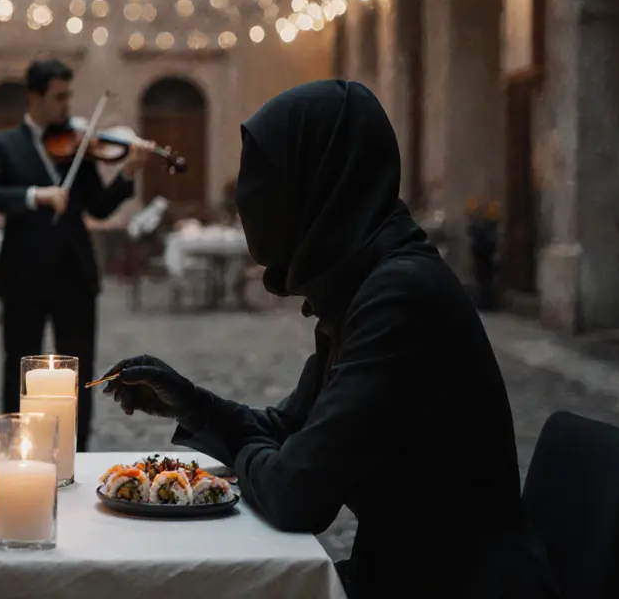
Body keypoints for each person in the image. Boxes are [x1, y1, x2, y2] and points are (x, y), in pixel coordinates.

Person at [98, 80, 558, 598]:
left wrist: (262, 454)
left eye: (270, 182)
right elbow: (290, 428)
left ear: (320, 181)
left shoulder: (401, 299)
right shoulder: (361, 281)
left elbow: (299, 494)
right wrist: (191, 403)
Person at [0, 58, 152, 450]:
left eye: (69, 96)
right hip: (22, 275)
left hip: (75, 275)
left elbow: (98, 207)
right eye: (59, 97)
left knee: (78, 375)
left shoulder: (79, 144)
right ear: (34, 97)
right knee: (18, 372)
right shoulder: (4, 144)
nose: (67, 105)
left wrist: (129, 173)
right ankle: (19, 452)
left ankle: (76, 451)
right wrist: (35, 195)